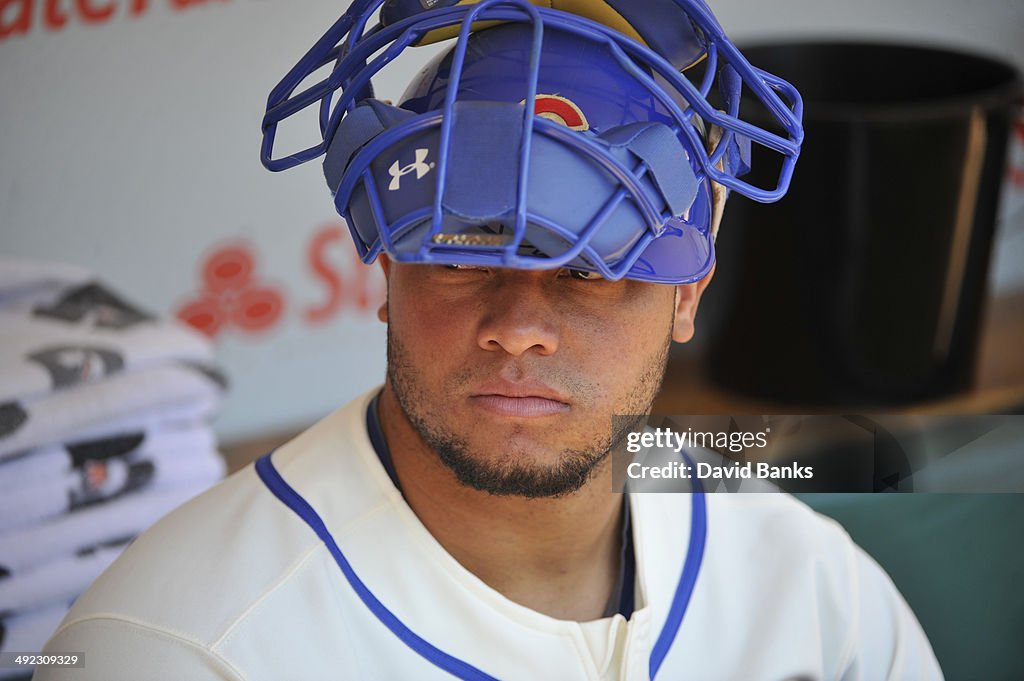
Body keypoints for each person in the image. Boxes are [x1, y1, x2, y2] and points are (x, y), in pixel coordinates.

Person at [39, 0, 943, 679]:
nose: (518, 328)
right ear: (387, 269)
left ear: (686, 293)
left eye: (589, 270)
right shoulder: (180, 650)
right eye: (463, 255)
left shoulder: (814, 590)